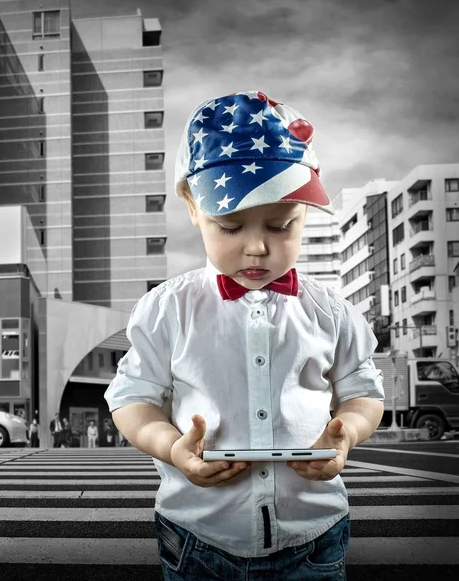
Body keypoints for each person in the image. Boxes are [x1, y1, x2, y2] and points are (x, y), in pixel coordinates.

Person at [104, 91, 385, 580]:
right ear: (192, 207)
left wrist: (348, 435)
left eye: (281, 225)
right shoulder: (168, 309)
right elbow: (132, 400)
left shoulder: (330, 310)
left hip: (311, 535)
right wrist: (172, 447)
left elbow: (363, 392)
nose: (256, 247)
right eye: (229, 226)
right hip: (198, 536)